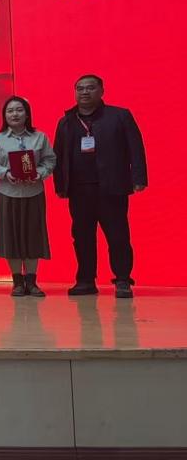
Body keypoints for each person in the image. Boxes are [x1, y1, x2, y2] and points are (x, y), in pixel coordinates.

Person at [52, 75, 147, 298]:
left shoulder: (119, 116)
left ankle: (122, 279)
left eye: (90, 88)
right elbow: (58, 155)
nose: (85, 92)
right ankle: (85, 280)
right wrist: (60, 185)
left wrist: (139, 177)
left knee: (118, 235)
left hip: (111, 187)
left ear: (102, 91)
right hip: (79, 190)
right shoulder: (66, 121)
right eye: (80, 88)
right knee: (82, 236)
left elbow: (136, 148)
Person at [0, 96, 56, 297]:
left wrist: (39, 173)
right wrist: (5, 173)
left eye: (19, 110)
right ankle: (17, 282)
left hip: (34, 193)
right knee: (11, 237)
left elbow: (50, 160)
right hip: (7, 193)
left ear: (27, 114)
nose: (14, 114)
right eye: (10, 111)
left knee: (33, 235)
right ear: (4, 116)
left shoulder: (40, 137)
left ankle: (31, 282)